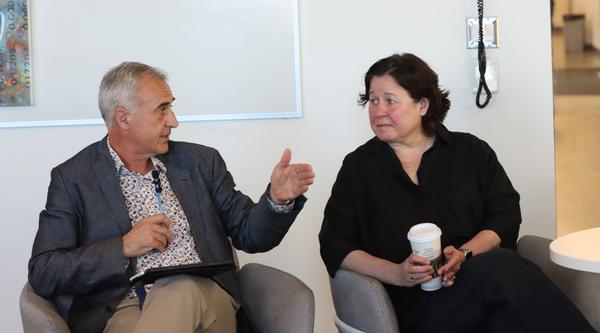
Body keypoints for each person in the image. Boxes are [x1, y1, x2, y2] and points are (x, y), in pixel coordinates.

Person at [28, 62, 315, 333]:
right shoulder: (74, 178)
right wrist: (123, 246)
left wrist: (277, 200)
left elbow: (250, 235)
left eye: (171, 107)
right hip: (122, 306)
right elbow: (45, 270)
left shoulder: (201, 162)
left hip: (206, 298)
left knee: (180, 287)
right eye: (162, 109)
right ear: (124, 118)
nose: (174, 121)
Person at [319, 53, 595, 333]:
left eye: (390, 100)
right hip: (414, 307)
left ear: (423, 105)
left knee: (509, 317)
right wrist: (397, 273)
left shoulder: (471, 152)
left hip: (481, 290)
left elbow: (505, 216)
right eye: (372, 100)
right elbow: (334, 243)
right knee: (504, 267)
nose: (378, 111)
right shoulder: (358, 167)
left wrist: (463, 254)